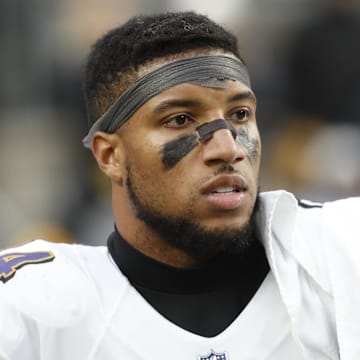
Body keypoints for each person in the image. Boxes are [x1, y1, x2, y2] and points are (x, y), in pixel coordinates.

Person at [0, 11, 359, 360]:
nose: (227, 148)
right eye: (180, 119)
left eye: (240, 115)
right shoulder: (37, 307)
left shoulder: (339, 252)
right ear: (110, 155)